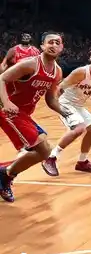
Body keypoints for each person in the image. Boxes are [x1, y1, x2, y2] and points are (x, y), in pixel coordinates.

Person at [0, 32, 72, 202]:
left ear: (62, 48)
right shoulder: (30, 64)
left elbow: (50, 99)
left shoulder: (57, 72)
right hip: (8, 110)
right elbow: (1, 78)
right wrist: (7, 103)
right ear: (42, 46)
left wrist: (65, 112)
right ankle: (5, 175)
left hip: (24, 114)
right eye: (50, 42)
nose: (54, 45)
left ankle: (5, 173)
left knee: (44, 152)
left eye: (57, 42)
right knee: (41, 148)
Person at [42, 46, 91, 177]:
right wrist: (56, 105)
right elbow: (60, 87)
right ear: (90, 58)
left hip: (78, 106)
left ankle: (82, 162)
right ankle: (51, 158)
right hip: (65, 103)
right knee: (79, 128)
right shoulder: (81, 72)